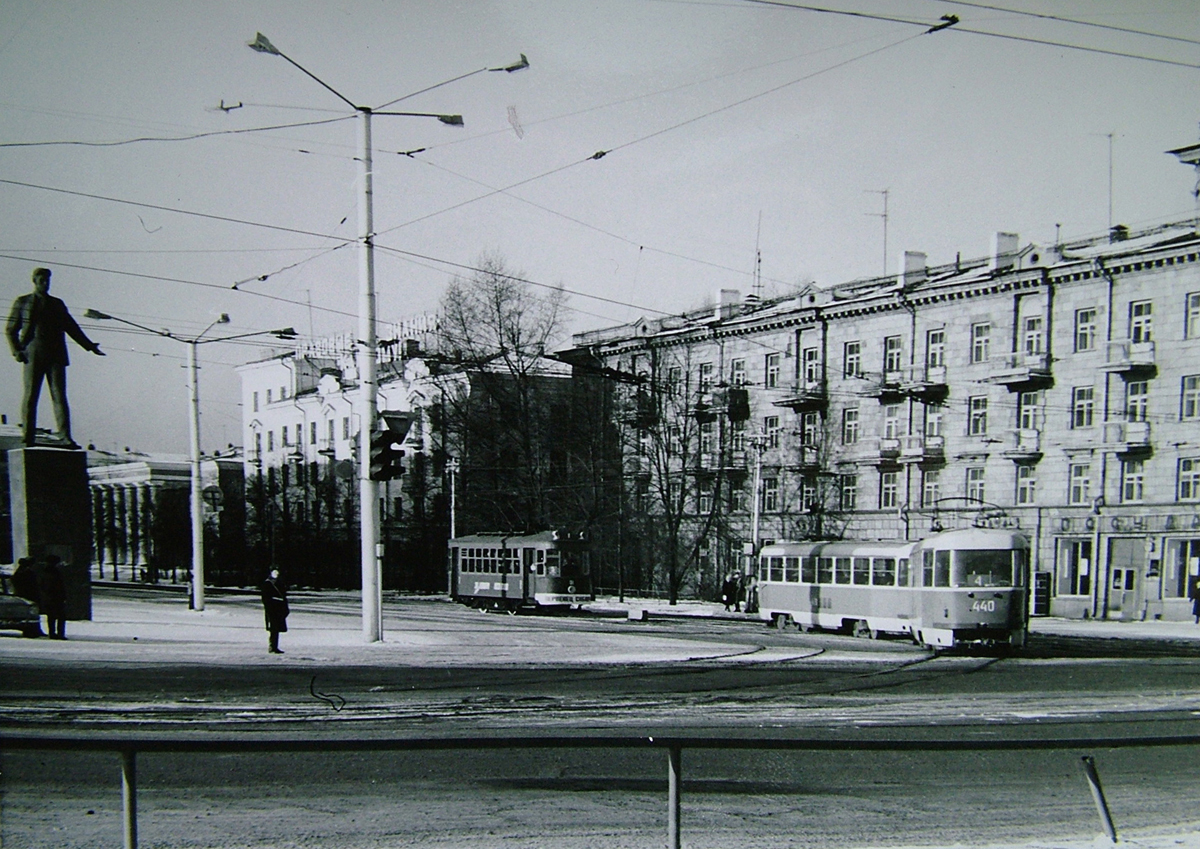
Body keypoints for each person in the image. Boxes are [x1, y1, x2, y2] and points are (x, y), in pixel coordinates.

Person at [6, 267, 104, 448]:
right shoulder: (23, 301)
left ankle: (65, 436)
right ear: (34, 281)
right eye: (41, 280)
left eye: (47, 280)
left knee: (59, 396)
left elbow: (71, 327)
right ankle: (27, 437)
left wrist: (89, 346)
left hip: (56, 355)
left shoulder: (57, 304)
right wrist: (17, 351)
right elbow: (10, 329)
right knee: (30, 396)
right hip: (32, 354)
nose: (45, 283)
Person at [36, 555, 68, 640]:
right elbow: (59, 586)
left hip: (49, 597)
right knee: (60, 616)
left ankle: (52, 633)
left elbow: (42, 585)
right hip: (56, 597)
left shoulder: (44, 572)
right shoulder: (55, 572)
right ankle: (60, 633)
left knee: (51, 617)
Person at [11, 557, 44, 636]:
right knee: (31, 613)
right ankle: (32, 629)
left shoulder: (19, 572)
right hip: (28, 595)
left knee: (32, 613)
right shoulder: (26, 572)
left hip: (26, 594)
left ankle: (34, 629)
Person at [260, 568, 289, 654]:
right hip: (272, 609)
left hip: (278, 609)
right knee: (273, 629)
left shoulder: (279, 584)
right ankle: (273, 646)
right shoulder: (268, 584)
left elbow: (283, 596)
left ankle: (274, 646)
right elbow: (265, 598)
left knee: (276, 629)